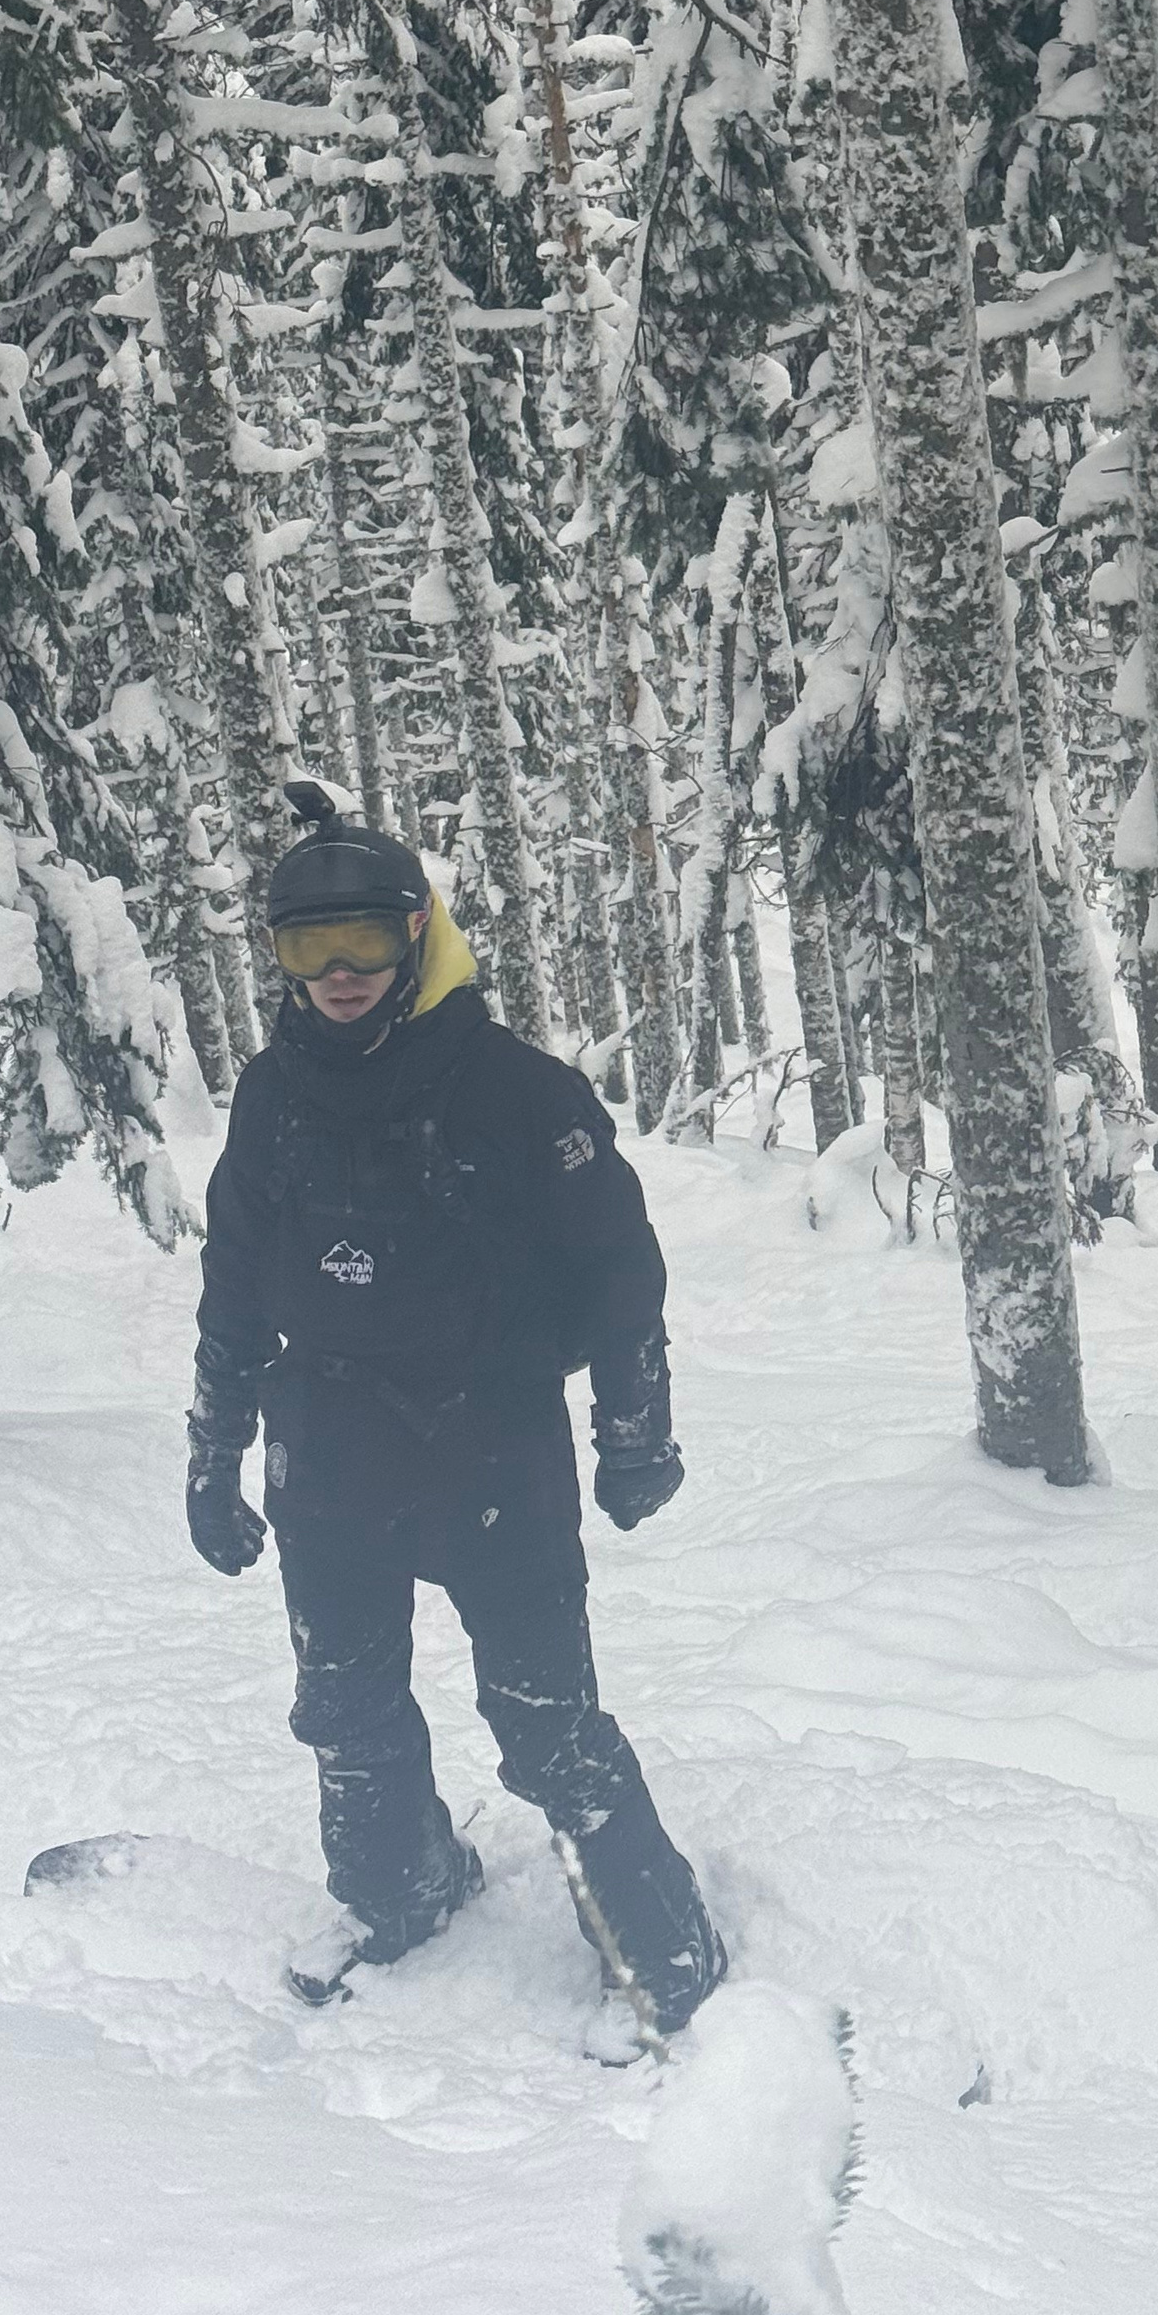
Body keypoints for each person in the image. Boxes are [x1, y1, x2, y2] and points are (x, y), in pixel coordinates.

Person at [184, 783, 727, 2032]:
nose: (337, 972)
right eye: (305, 947)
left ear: (418, 934)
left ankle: (668, 1957)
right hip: (325, 1451)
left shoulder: (524, 1092)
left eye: (364, 940)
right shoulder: (272, 1097)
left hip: (494, 1444)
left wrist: (634, 1434)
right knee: (346, 1706)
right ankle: (404, 1895)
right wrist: (214, 1455)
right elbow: (230, 1283)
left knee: (545, 1724)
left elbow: (619, 1275)